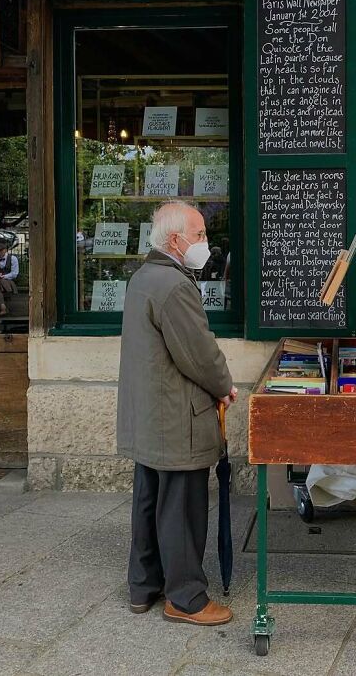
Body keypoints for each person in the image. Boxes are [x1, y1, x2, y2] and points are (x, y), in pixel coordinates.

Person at [116, 200, 237, 626]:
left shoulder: (143, 279)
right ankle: (186, 598)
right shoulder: (175, 286)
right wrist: (225, 387)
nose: (204, 242)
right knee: (182, 508)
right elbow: (199, 354)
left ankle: (143, 587)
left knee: (149, 501)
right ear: (175, 240)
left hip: (150, 415)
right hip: (177, 417)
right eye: (199, 234)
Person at [0, 241, 19, 317]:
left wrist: (3, 276)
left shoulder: (13, 258)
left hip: (8, 281)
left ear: (5, 250)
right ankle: (3, 307)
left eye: (0, 250)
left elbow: (14, 274)